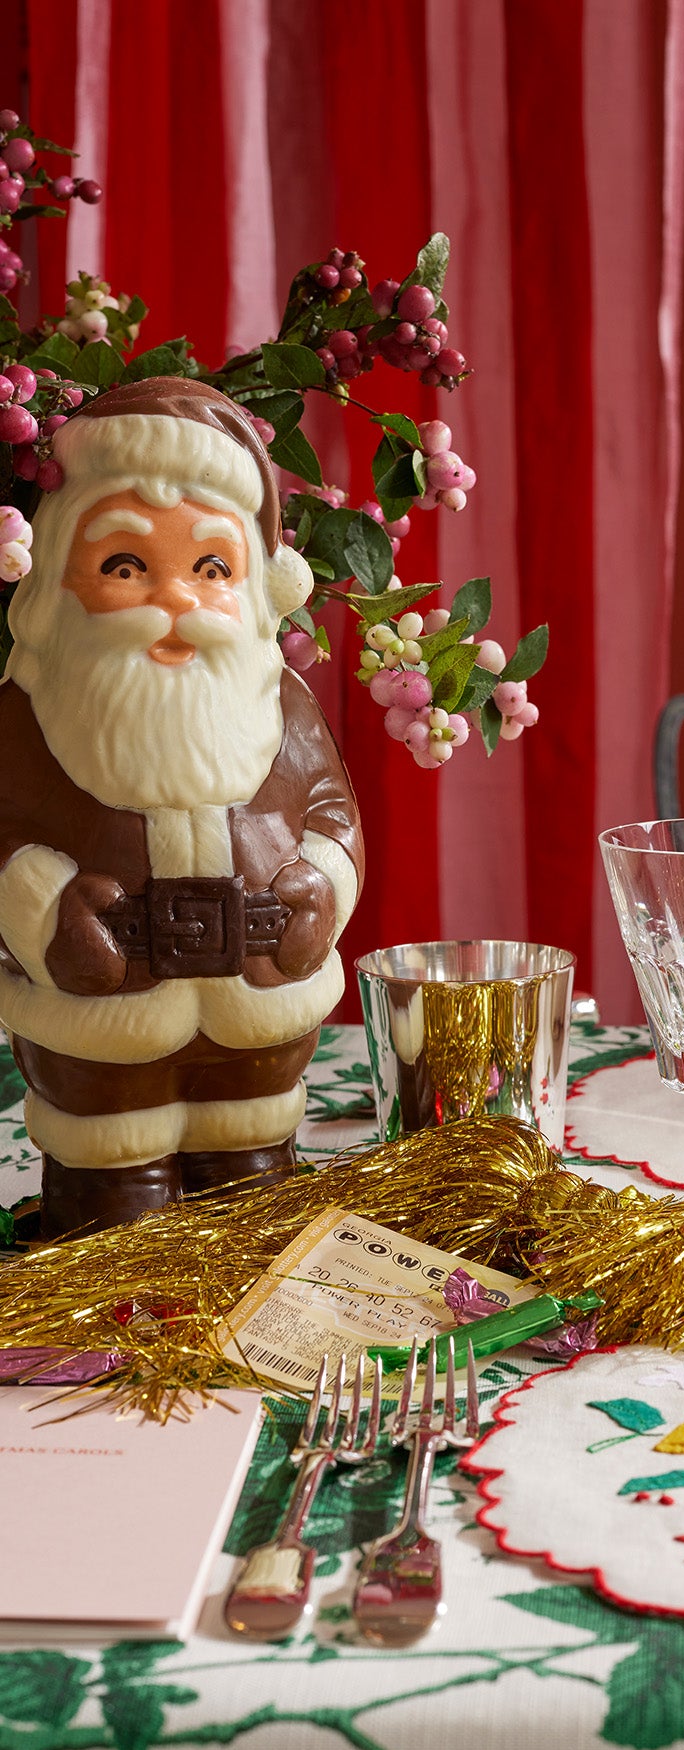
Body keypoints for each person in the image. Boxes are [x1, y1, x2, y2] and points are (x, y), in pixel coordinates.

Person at [0, 377, 364, 1234]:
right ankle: (108, 1222)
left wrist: (320, 881)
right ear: (55, 583)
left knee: (253, 1169)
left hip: (259, 1016)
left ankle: (252, 1197)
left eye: (210, 566)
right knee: (113, 1182)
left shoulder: (280, 700)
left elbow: (332, 810)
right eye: (126, 565)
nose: (176, 598)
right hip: (100, 1034)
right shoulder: (29, 707)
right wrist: (50, 912)